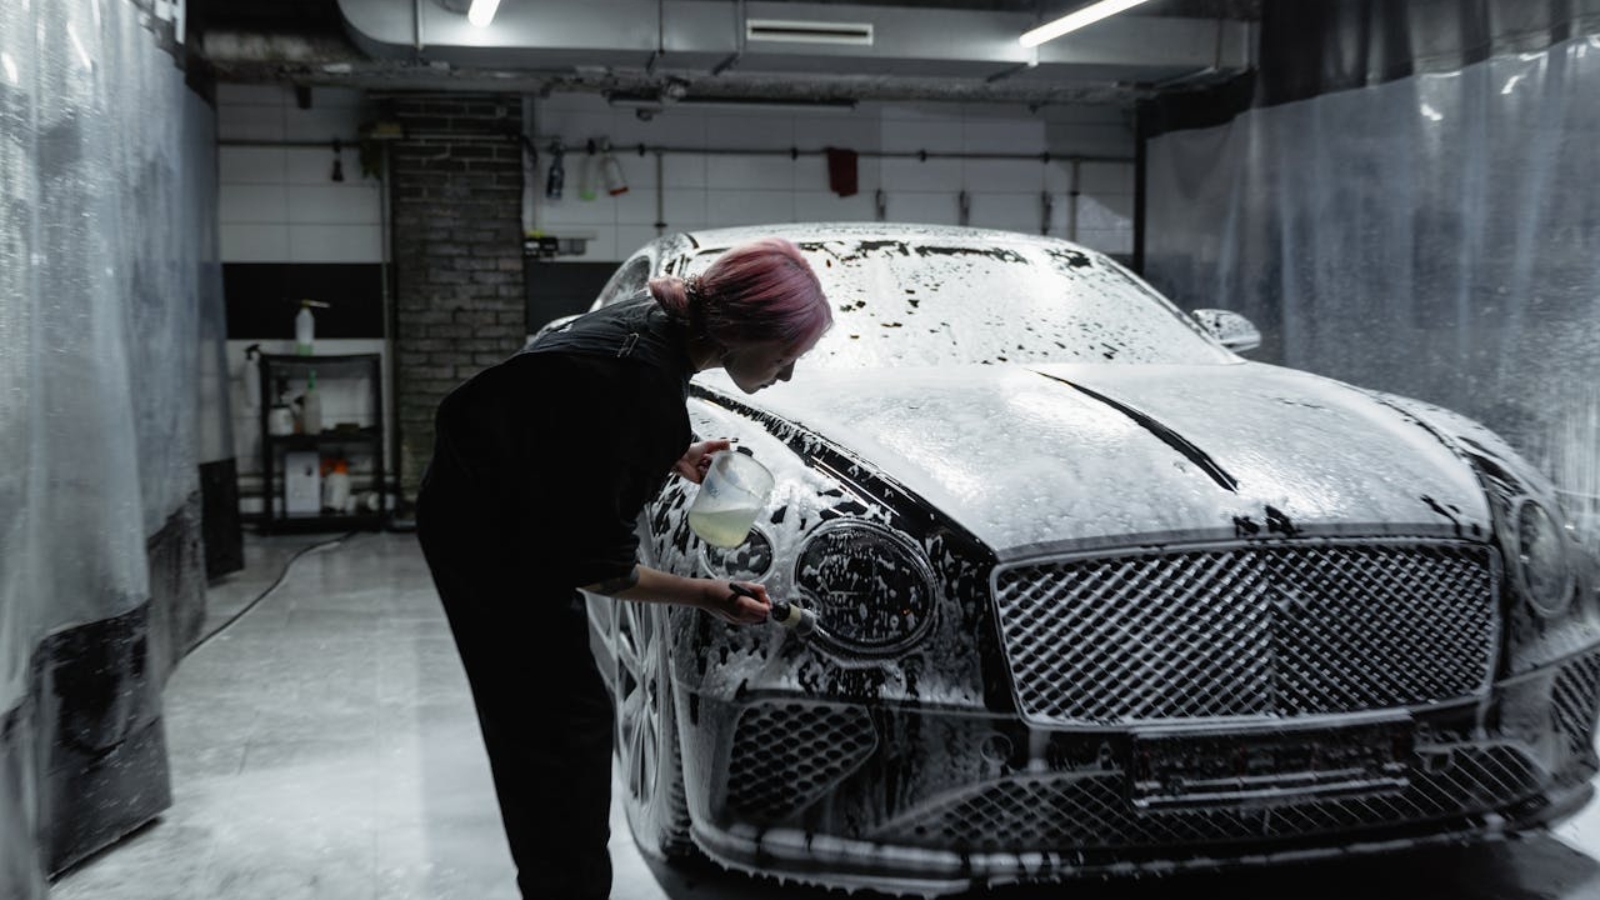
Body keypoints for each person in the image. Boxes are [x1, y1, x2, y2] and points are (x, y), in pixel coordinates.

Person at [414, 237, 832, 900]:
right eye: (786, 357)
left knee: (567, 718)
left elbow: (569, 417)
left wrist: (669, 451)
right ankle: (566, 886)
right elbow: (602, 572)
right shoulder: (640, 384)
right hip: (488, 535)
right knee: (559, 733)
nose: (785, 376)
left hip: (481, 484)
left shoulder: (651, 325)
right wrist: (710, 595)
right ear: (743, 331)